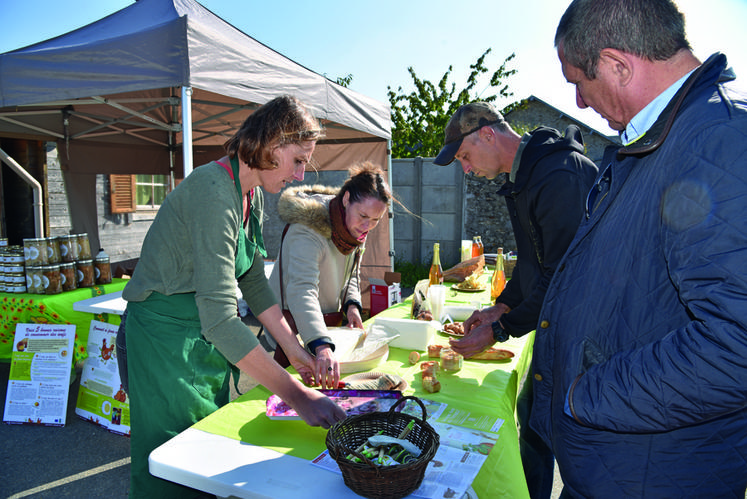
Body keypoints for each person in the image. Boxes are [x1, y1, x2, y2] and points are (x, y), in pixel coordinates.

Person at [532, 0, 747, 496]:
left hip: (655, 475)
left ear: (617, 66)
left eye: (578, 84)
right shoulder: (667, 136)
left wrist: (588, 393)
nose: (581, 104)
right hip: (620, 466)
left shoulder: (719, 140)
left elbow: (736, 342)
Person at [119, 95, 347, 499]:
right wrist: (297, 395)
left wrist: (294, 351)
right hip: (163, 338)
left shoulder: (252, 194)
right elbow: (223, 320)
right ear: (272, 144)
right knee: (170, 462)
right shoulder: (213, 190)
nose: (298, 175)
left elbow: (254, 282)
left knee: (203, 452)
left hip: (200, 335)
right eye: (298, 160)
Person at [433, 101, 598, 499]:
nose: (467, 170)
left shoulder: (557, 175)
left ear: (487, 134)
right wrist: (502, 306)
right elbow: (531, 261)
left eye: (465, 157)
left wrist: (500, 330)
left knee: (574, 443)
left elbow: (563, 277)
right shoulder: (524, 176)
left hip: (590, 334)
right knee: (533, 418)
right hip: (561, 325)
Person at [265, 162, 391, 389]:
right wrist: (322, 345)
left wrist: (352, 305)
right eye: (363, 216)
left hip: (326, 328)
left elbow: (351, 273)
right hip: (292, 329)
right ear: (346, 200)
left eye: (375, 220)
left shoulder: (355, 227)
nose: (367, 226)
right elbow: (302, 290)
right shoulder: (307, 229)